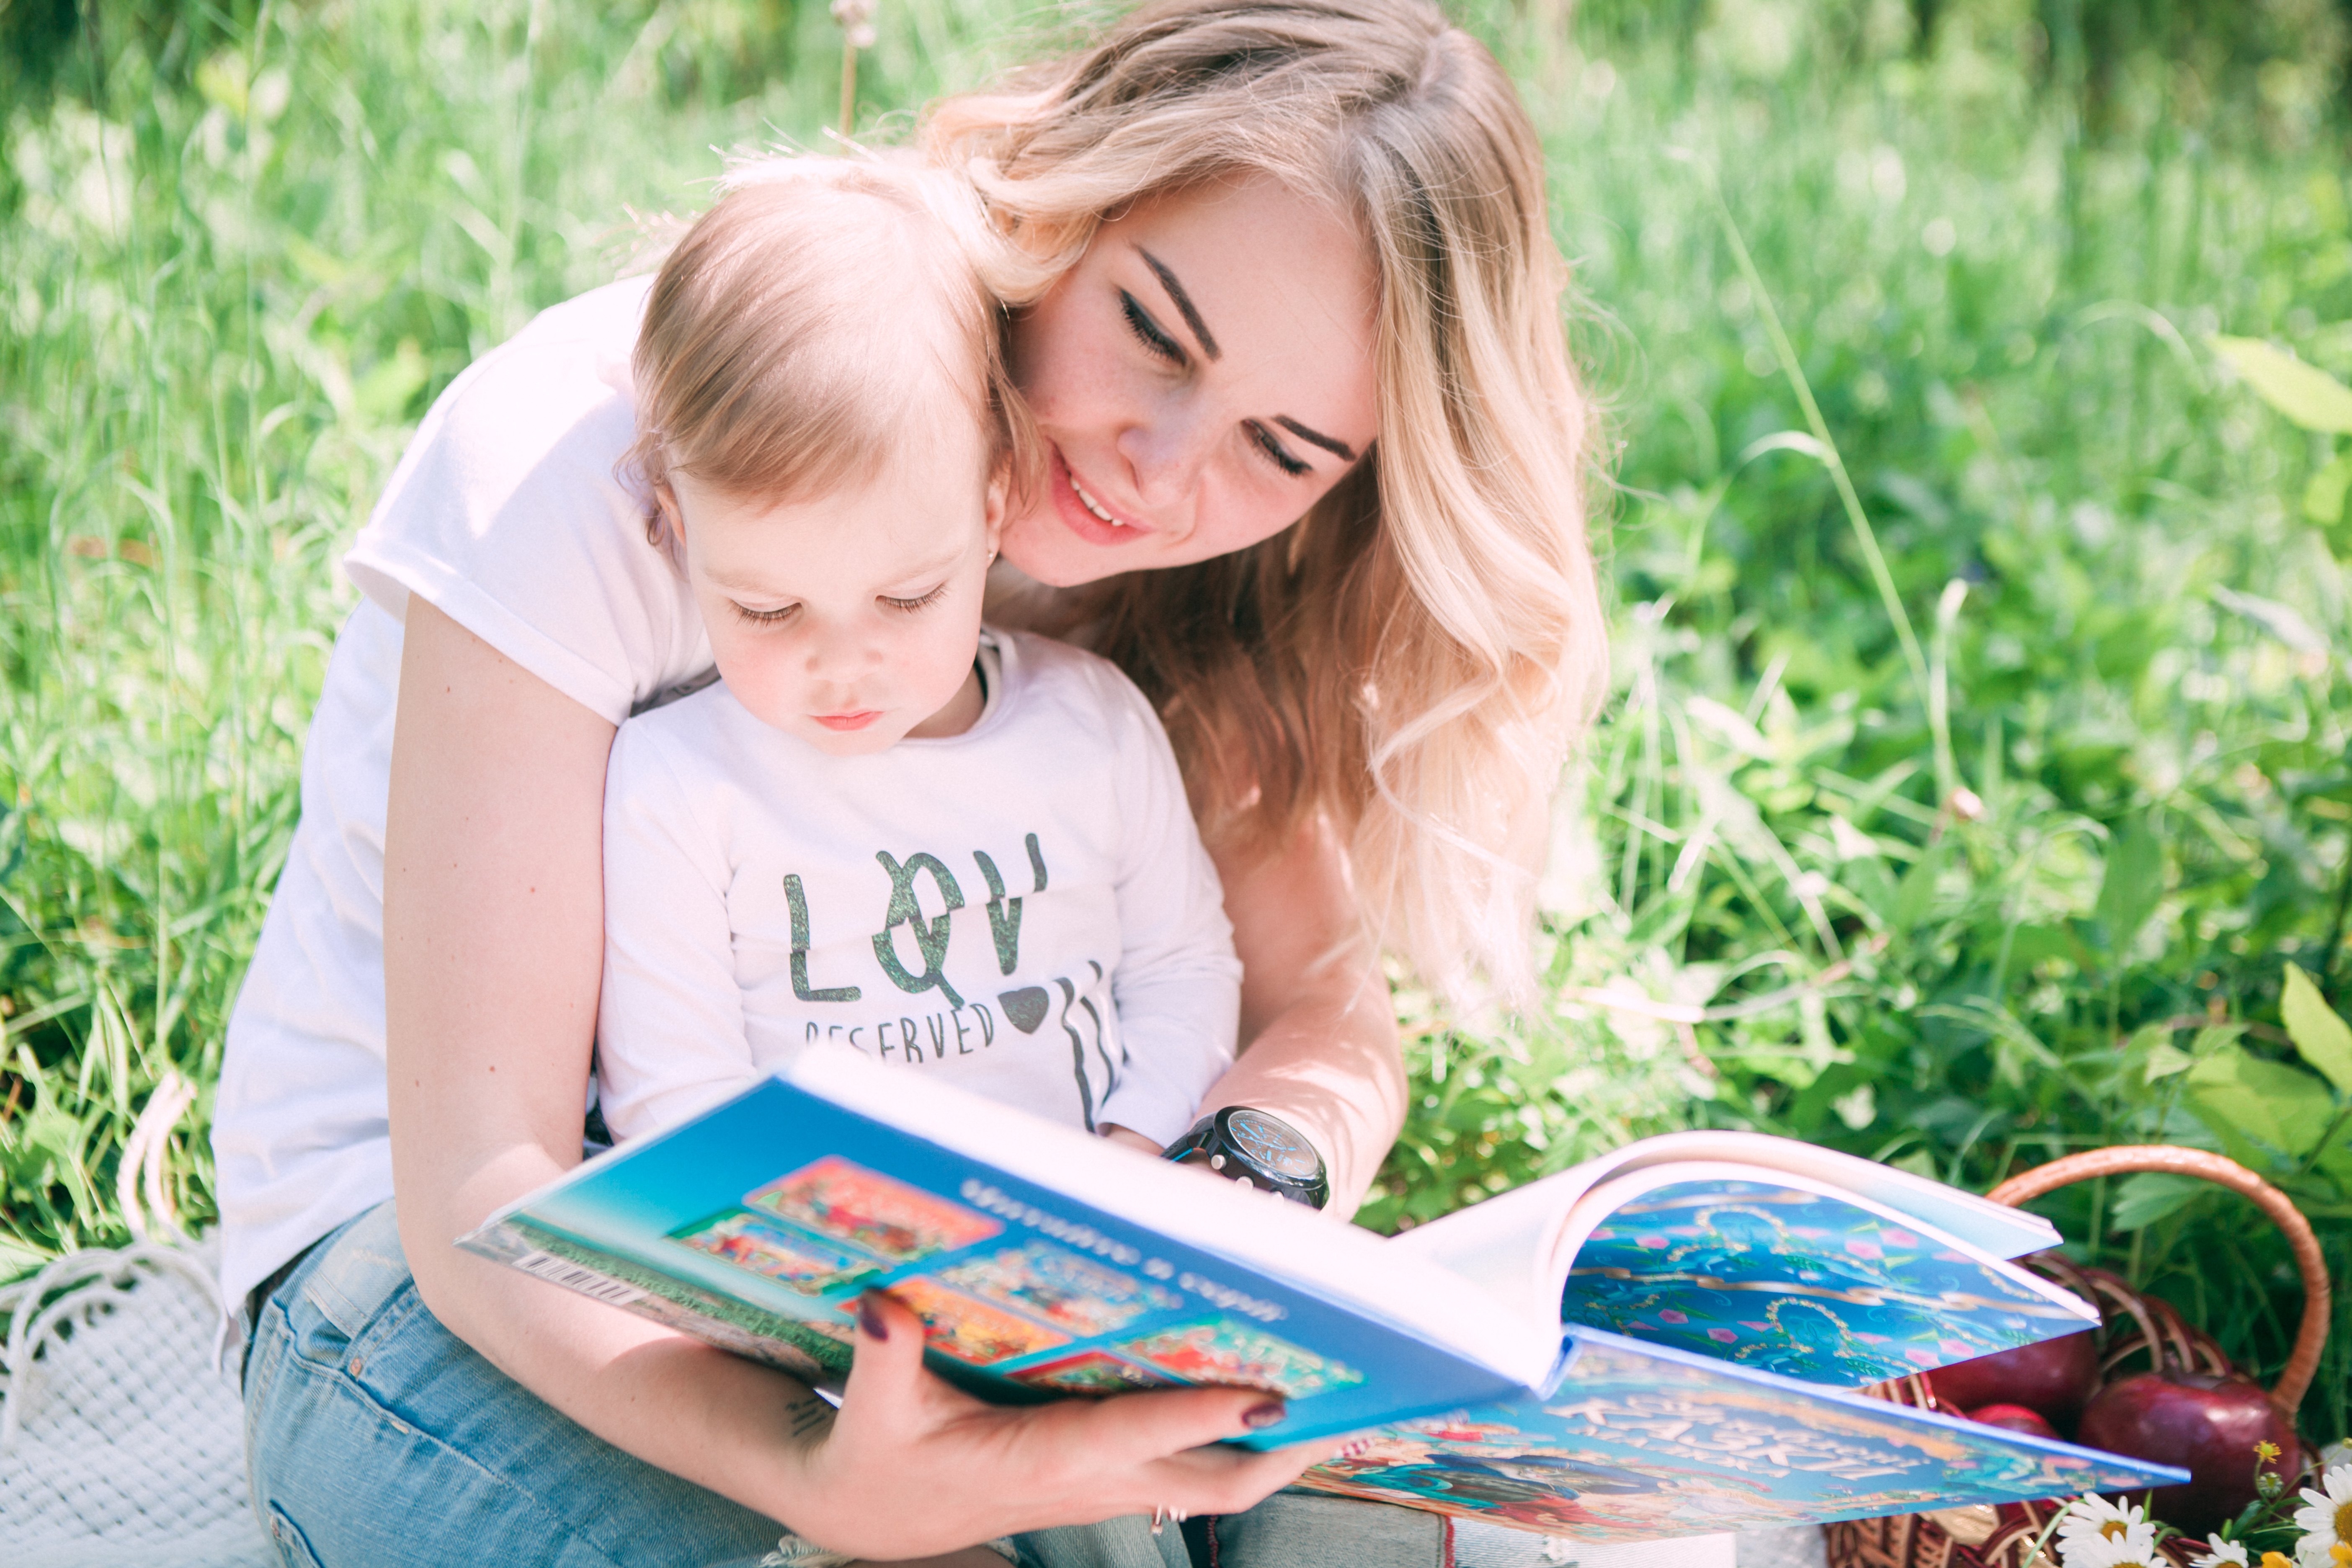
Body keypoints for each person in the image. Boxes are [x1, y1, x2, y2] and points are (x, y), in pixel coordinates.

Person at [215, 3, 1625, 1565]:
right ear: (1062, 199)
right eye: (1155, 334)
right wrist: (828, 1483)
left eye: (1280, 447)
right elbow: (486, 1189)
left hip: (955, 1312)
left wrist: (1229, 1190)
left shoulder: (1182, 583)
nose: (1161, 470)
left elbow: (1324, 1014)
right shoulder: (606, 459)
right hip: (462, 1292)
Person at [593, 164, 1240, 1157]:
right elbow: (676, 1101)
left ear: (990, 509)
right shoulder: (676, 790)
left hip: (1079, 1248)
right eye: (767, 608)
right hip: (808, 1272)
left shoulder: (1092, 731)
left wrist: (1134, 1160)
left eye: (907, 598)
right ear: (683, 536)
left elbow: (1183, 969)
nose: (844, 665)